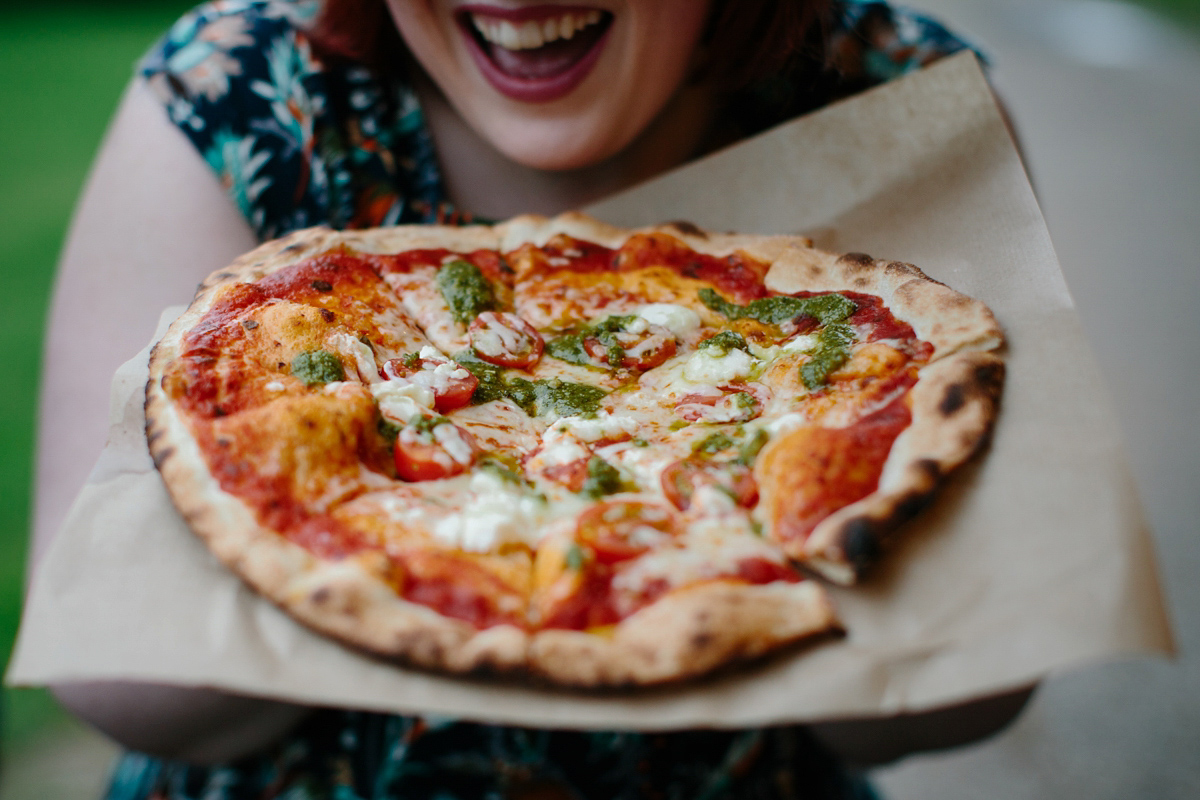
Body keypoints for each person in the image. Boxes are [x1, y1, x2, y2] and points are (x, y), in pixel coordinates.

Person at [34, 1, 1032, 797]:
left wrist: (767, 537)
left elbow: (971, 690)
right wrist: (387, 516)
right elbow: (115, 673)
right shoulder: (241, 93)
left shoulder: (900, 101)